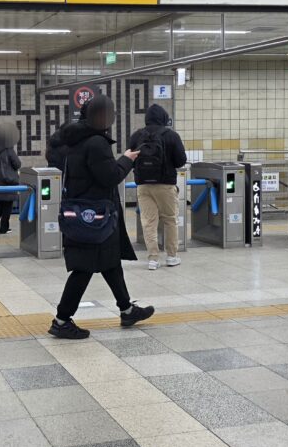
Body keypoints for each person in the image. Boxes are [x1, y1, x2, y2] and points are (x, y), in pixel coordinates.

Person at [50, 95, 155, 339]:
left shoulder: (73, 140)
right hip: (94, 215)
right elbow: (109, 176)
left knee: (110, 262)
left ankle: (127, 309)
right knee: (84, 269)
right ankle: (61, 320)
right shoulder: (96, 142)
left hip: (89, 213)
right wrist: (126, 160)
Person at [127, 104, 187, 270]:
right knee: (169, 220)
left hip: (143, 185)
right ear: (164, 118)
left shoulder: (137, 136)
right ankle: (172, 256)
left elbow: (130, 157)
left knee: (149, 222)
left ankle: (153, 259)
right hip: (165, 184)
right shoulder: (171, 135)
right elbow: (181, 160)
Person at [0, 122, 22, 234]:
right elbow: (17, 163)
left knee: (1, 204)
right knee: (7, 206)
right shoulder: (8, 148)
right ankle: (4, 228)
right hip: (9, 181)